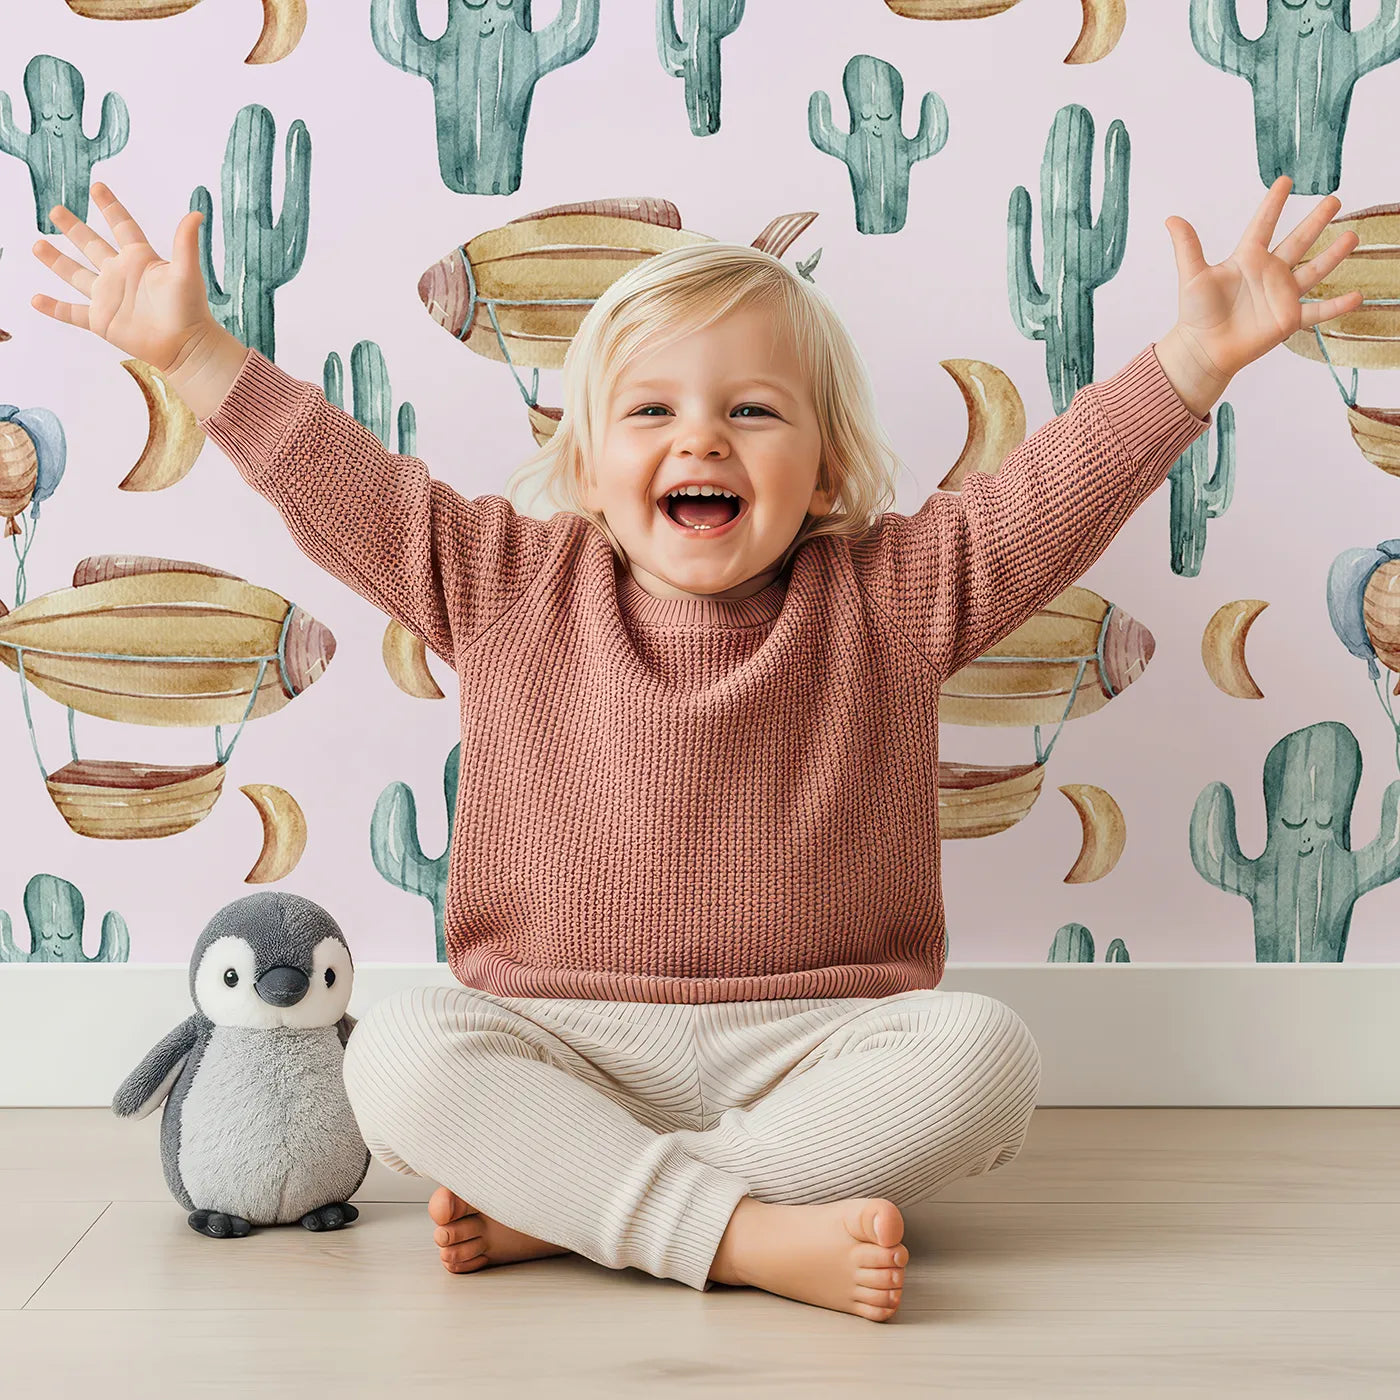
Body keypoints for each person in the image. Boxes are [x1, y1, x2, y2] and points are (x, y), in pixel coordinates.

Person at [30, 178, 1360, 1322]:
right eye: (651, 412)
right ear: (588, 461)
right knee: (394, 1059)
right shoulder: (502, 581)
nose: (701, 438)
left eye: (753, 414)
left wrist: (1191, 363)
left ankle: (584, 1209)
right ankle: (740, 1234)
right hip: (555, 1040)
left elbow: (1052, 494)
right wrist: (194, 351)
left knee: (988, 1057)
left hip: (817, 1049)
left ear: (830, 467)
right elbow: (341, 481)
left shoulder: (892, 595)